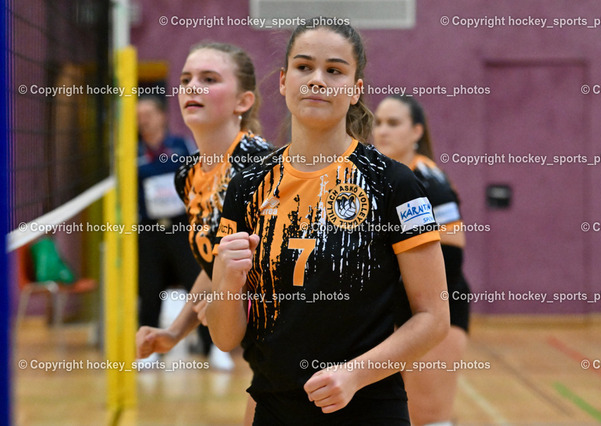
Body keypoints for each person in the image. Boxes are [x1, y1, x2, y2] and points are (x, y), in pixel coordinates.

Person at [206, 21, 449, 425]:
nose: (317, 80)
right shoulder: (246, 186)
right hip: (273, 408)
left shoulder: (392, 183)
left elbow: (433, 318)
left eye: (334, 70)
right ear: (283, 82)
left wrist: (355, 374)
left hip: (368, 408)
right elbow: (224, 337)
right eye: (304, 67)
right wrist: (227, 284)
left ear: (355, 89)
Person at [135, 41, 273, 377]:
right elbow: (215, 264)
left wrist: (228, 303)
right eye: (185, 80)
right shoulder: (188, 173)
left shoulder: (259, 164)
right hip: (264, 354)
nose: (192, 87)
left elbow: (278, 264)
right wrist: (173, 333)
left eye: (209, 79)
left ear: (243, 101)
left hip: (298, 340)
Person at [373, 94, 472, 426]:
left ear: (416, 131)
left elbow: (453, 253)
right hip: (393, 306)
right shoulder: (377, 176)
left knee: (427, 414)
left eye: (393, 123)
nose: (382, 131)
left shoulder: (429, 180)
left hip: (438, 305)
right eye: (378, 123)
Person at [136, 95, 203, 359]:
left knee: (196, 283)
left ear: (163, 116)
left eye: (149, 113)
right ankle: (149, 349)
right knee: (149, 289)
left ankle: (212, 348)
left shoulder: (183, 146)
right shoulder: (133, 152)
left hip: (182, 228)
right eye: (139, 115)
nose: (144, 120)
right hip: (150, 231)